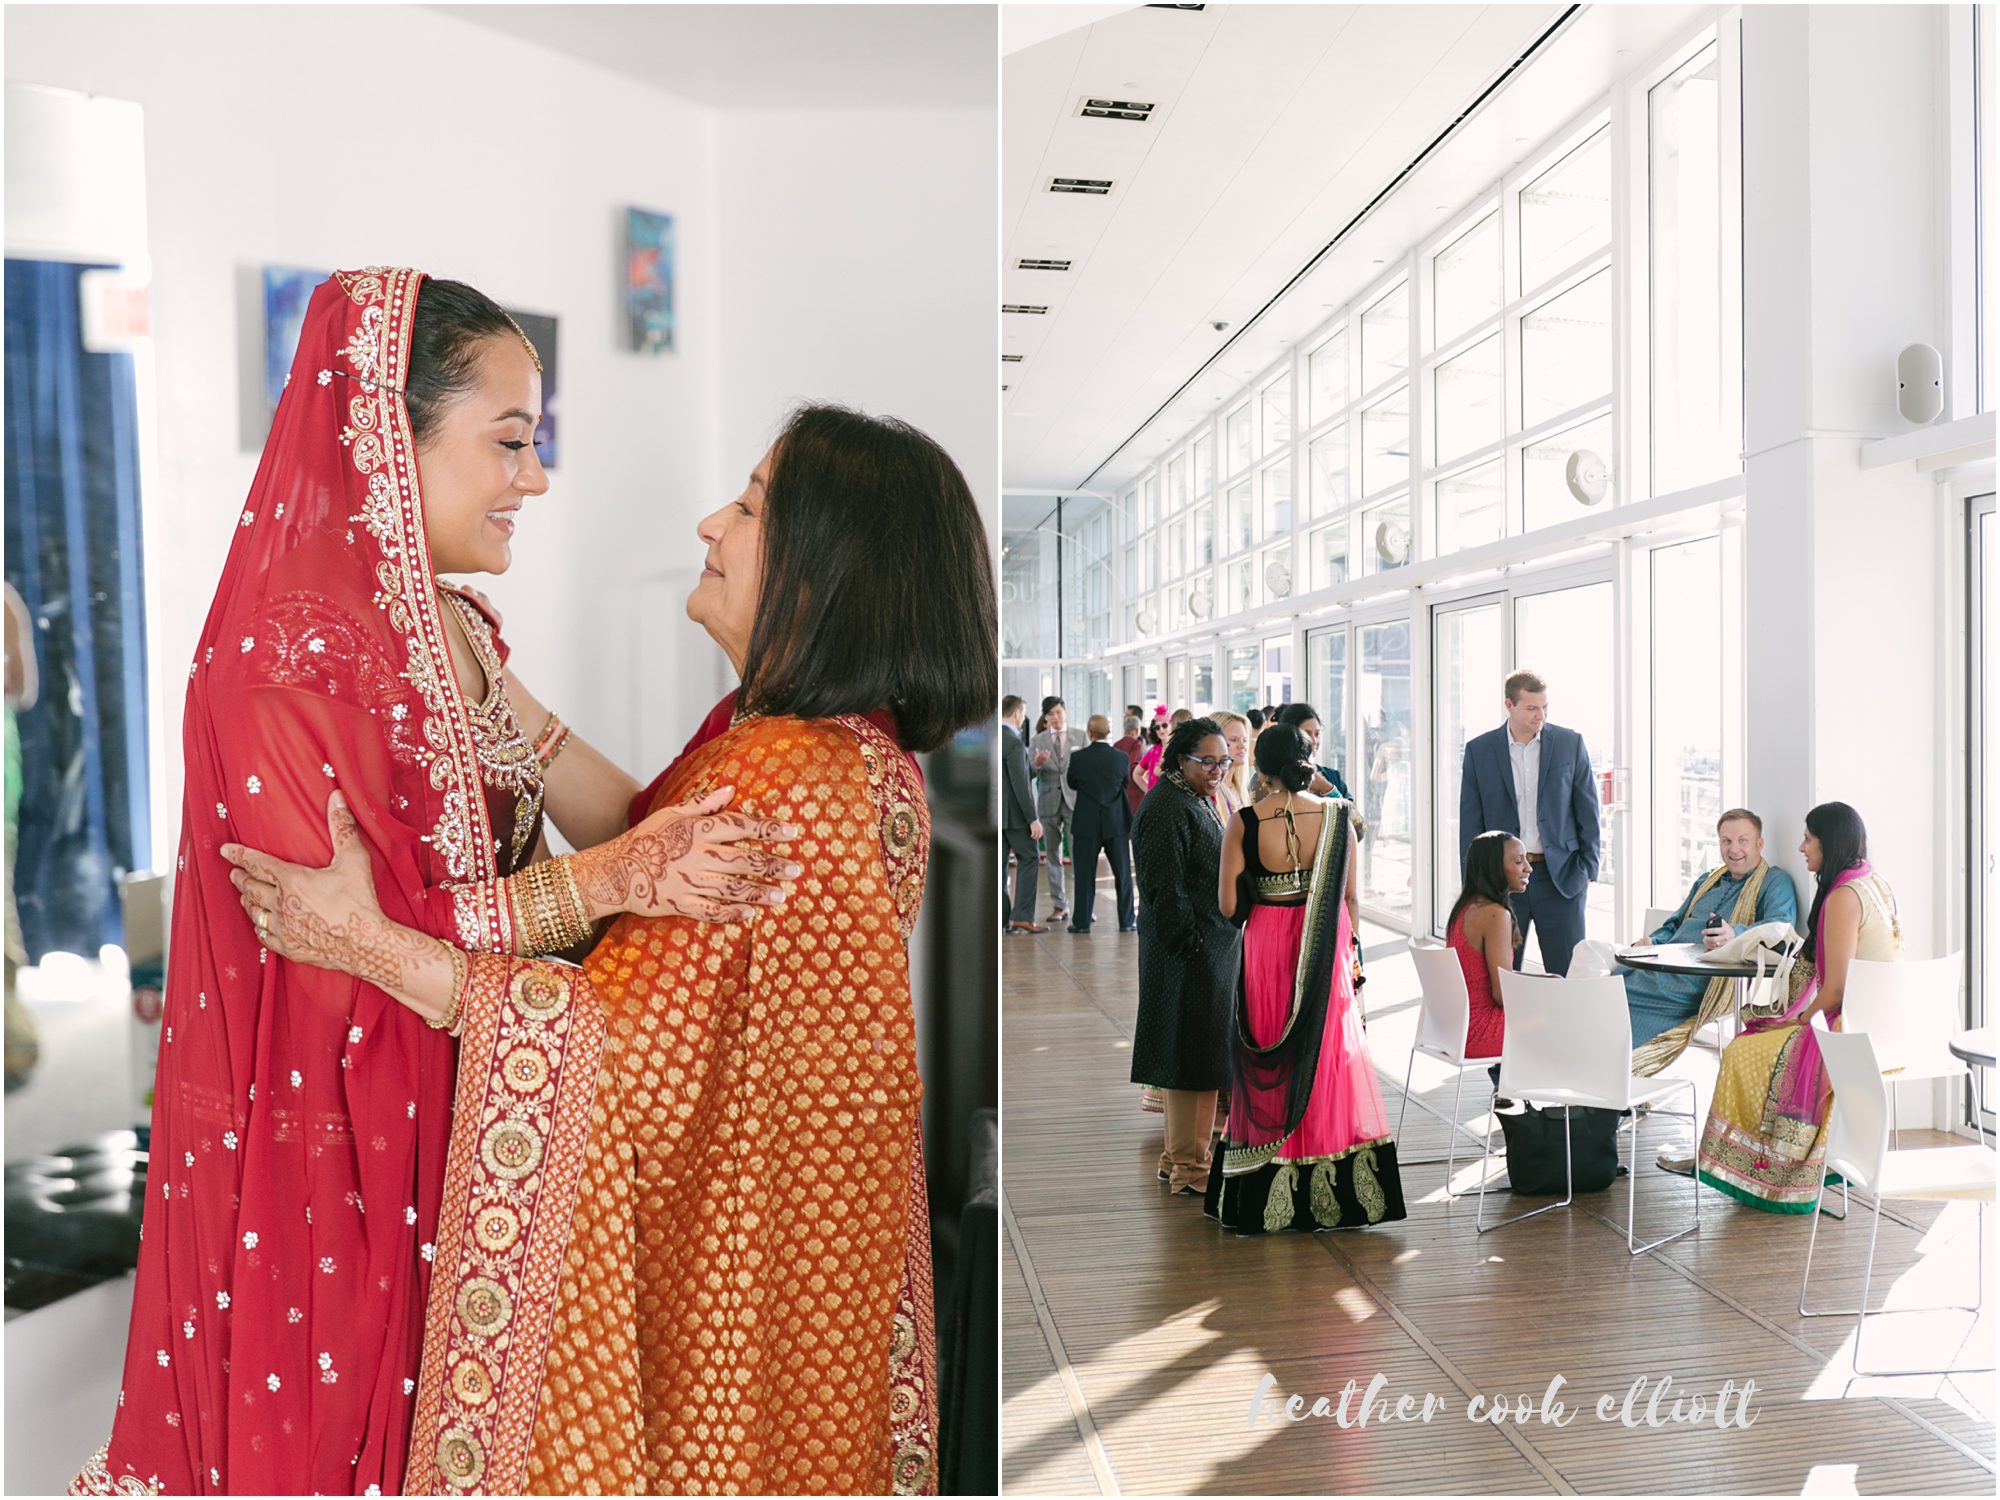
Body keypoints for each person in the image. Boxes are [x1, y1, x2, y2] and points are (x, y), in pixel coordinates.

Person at [74, 271, 799, 1497]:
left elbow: (581, 789)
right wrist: (619, 878)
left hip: (480, 1117)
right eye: (510, 442)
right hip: (340, 1165)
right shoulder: (280, 664)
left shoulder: (450, 630)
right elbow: (329, 943)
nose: (537, 477)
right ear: (383, 444)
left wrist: (754, 779)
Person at [226, 400, 994, 1493]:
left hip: (718, 1305)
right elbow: (650, 837)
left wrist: (361, 941)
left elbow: (610, 1056)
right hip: (803, 1281)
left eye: (749, 505)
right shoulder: (841, 755)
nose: (708, 524)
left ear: (828, 571)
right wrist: (503, 696)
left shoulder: (789, 776)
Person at [1207, 726, 1406, 1234]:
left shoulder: (1245, 822)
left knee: (1271, 1052)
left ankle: (1267, 1174)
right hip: (1326, 948)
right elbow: (1351, 898)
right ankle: (1328, 1182)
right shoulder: (1340, 819)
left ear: (1260, 767)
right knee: (1328, 1054)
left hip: (1269, 947)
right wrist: (1348, 959)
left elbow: (1229, 907)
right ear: (1307, 760)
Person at [1677, 803, 1900, 1211]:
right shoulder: (1872, 883)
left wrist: (1797, 1019)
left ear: (1828, 843)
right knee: (1757, 1035)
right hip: (1882, 1022)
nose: (1801, 847)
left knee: (1742, 1050)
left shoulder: (1844, 898)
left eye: (1808, 838)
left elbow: (1834, 992)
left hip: (1847, 1030)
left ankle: (1764, 1169)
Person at [1129, 718, 1242, 1195]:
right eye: (1208, 761)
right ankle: (1191, 1168)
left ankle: (1179, 1156)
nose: (1218, 769)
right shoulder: (1168, 805)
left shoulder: (1191, 797)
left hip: (1203, 949)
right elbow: (1163, 887)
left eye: (1225, 761)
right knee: (1192, 1059)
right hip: (1187, 952)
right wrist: (1191, 944)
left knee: (1194, 1056)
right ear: (1180, 759)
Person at [1625, 808, 1799, 1071]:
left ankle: (1606, 1086)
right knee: (1606, 984)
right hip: (1662, 964)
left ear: (1759, 844)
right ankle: (1587, 1081)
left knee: (1616, 1000)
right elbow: (1675, 923)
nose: (1733, 849)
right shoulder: (1708, 879)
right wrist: (1652, 941)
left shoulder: (1774, 881)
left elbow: (1779, 927)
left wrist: (1735, 935)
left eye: (1743, 840)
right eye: (1726, 841)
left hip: (1698, 980)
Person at [1457, 670, 1599, 976]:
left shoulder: (1569, 744)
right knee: (1503, 979)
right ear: (1509, 704)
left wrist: (1589, 867)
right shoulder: (1479, 751)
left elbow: (1588, 809)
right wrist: (1472, 884)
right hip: (1501, 881)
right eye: (1532, 708)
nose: (1541, 715)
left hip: (1560, 878)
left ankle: (1564, 1027)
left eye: (1545, 707)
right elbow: (1471, 823)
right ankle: (1508, 1027)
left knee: (1568, 977)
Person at [1445, 831, 1534, 1074]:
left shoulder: (1464, 909)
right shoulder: (1495, 915)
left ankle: (1530, 1098)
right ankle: (1575, 1105)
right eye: (1518, 861)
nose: (1528, 868)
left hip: (1452, 1028)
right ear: (1494, 868)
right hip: (1478, 1031)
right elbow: (1502, 995)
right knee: (1570, 1017)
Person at [1066, 714, 1135, 934]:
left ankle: (1082, 922)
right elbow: (1124, 783)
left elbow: (1072, 783)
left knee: (1085, 875)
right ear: (1108, 732)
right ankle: (1127, 921)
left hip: (1087, 822)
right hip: (1116, 822)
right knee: (1123, 874)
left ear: (1090, 733)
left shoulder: (1078, 758)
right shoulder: (1121, 758)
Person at [1030, 696, 1087, 925]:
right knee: (1052, 855)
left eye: (1059, 712)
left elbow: (1087, 766)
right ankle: (1059, 905)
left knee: (1078, 854)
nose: (1056, 717)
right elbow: (1029, 772)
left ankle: (1083, 906)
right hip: (1048, 801)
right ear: (1045, 718)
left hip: (1074, 800)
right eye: (1051, 714)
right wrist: (1038, 764)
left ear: (1065, 712)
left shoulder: (1080, 736)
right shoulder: (1037, 740)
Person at [1001, 694, 1047, 935]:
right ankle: (1022, 917)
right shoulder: (1014, 742)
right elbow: (1019, 784)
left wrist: (1035, 765)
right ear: (1017, 713)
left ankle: (1002, 918)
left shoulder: (999, 738)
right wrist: (1033, 819)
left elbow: (1017, 775)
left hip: (999, 817)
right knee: (1029, 859)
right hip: (1016, 817)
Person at [1211, 710, 1252, 818]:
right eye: (1234, 740)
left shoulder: (1239, 787)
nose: (1242, 746)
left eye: (1245, 740)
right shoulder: (1212, 791)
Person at [1111, 712, 1146, 828]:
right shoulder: (1137, 744)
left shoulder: (1116, 744)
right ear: (1137, 730)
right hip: (1134, 789)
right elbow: (1133, 766)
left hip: (1118, 788)